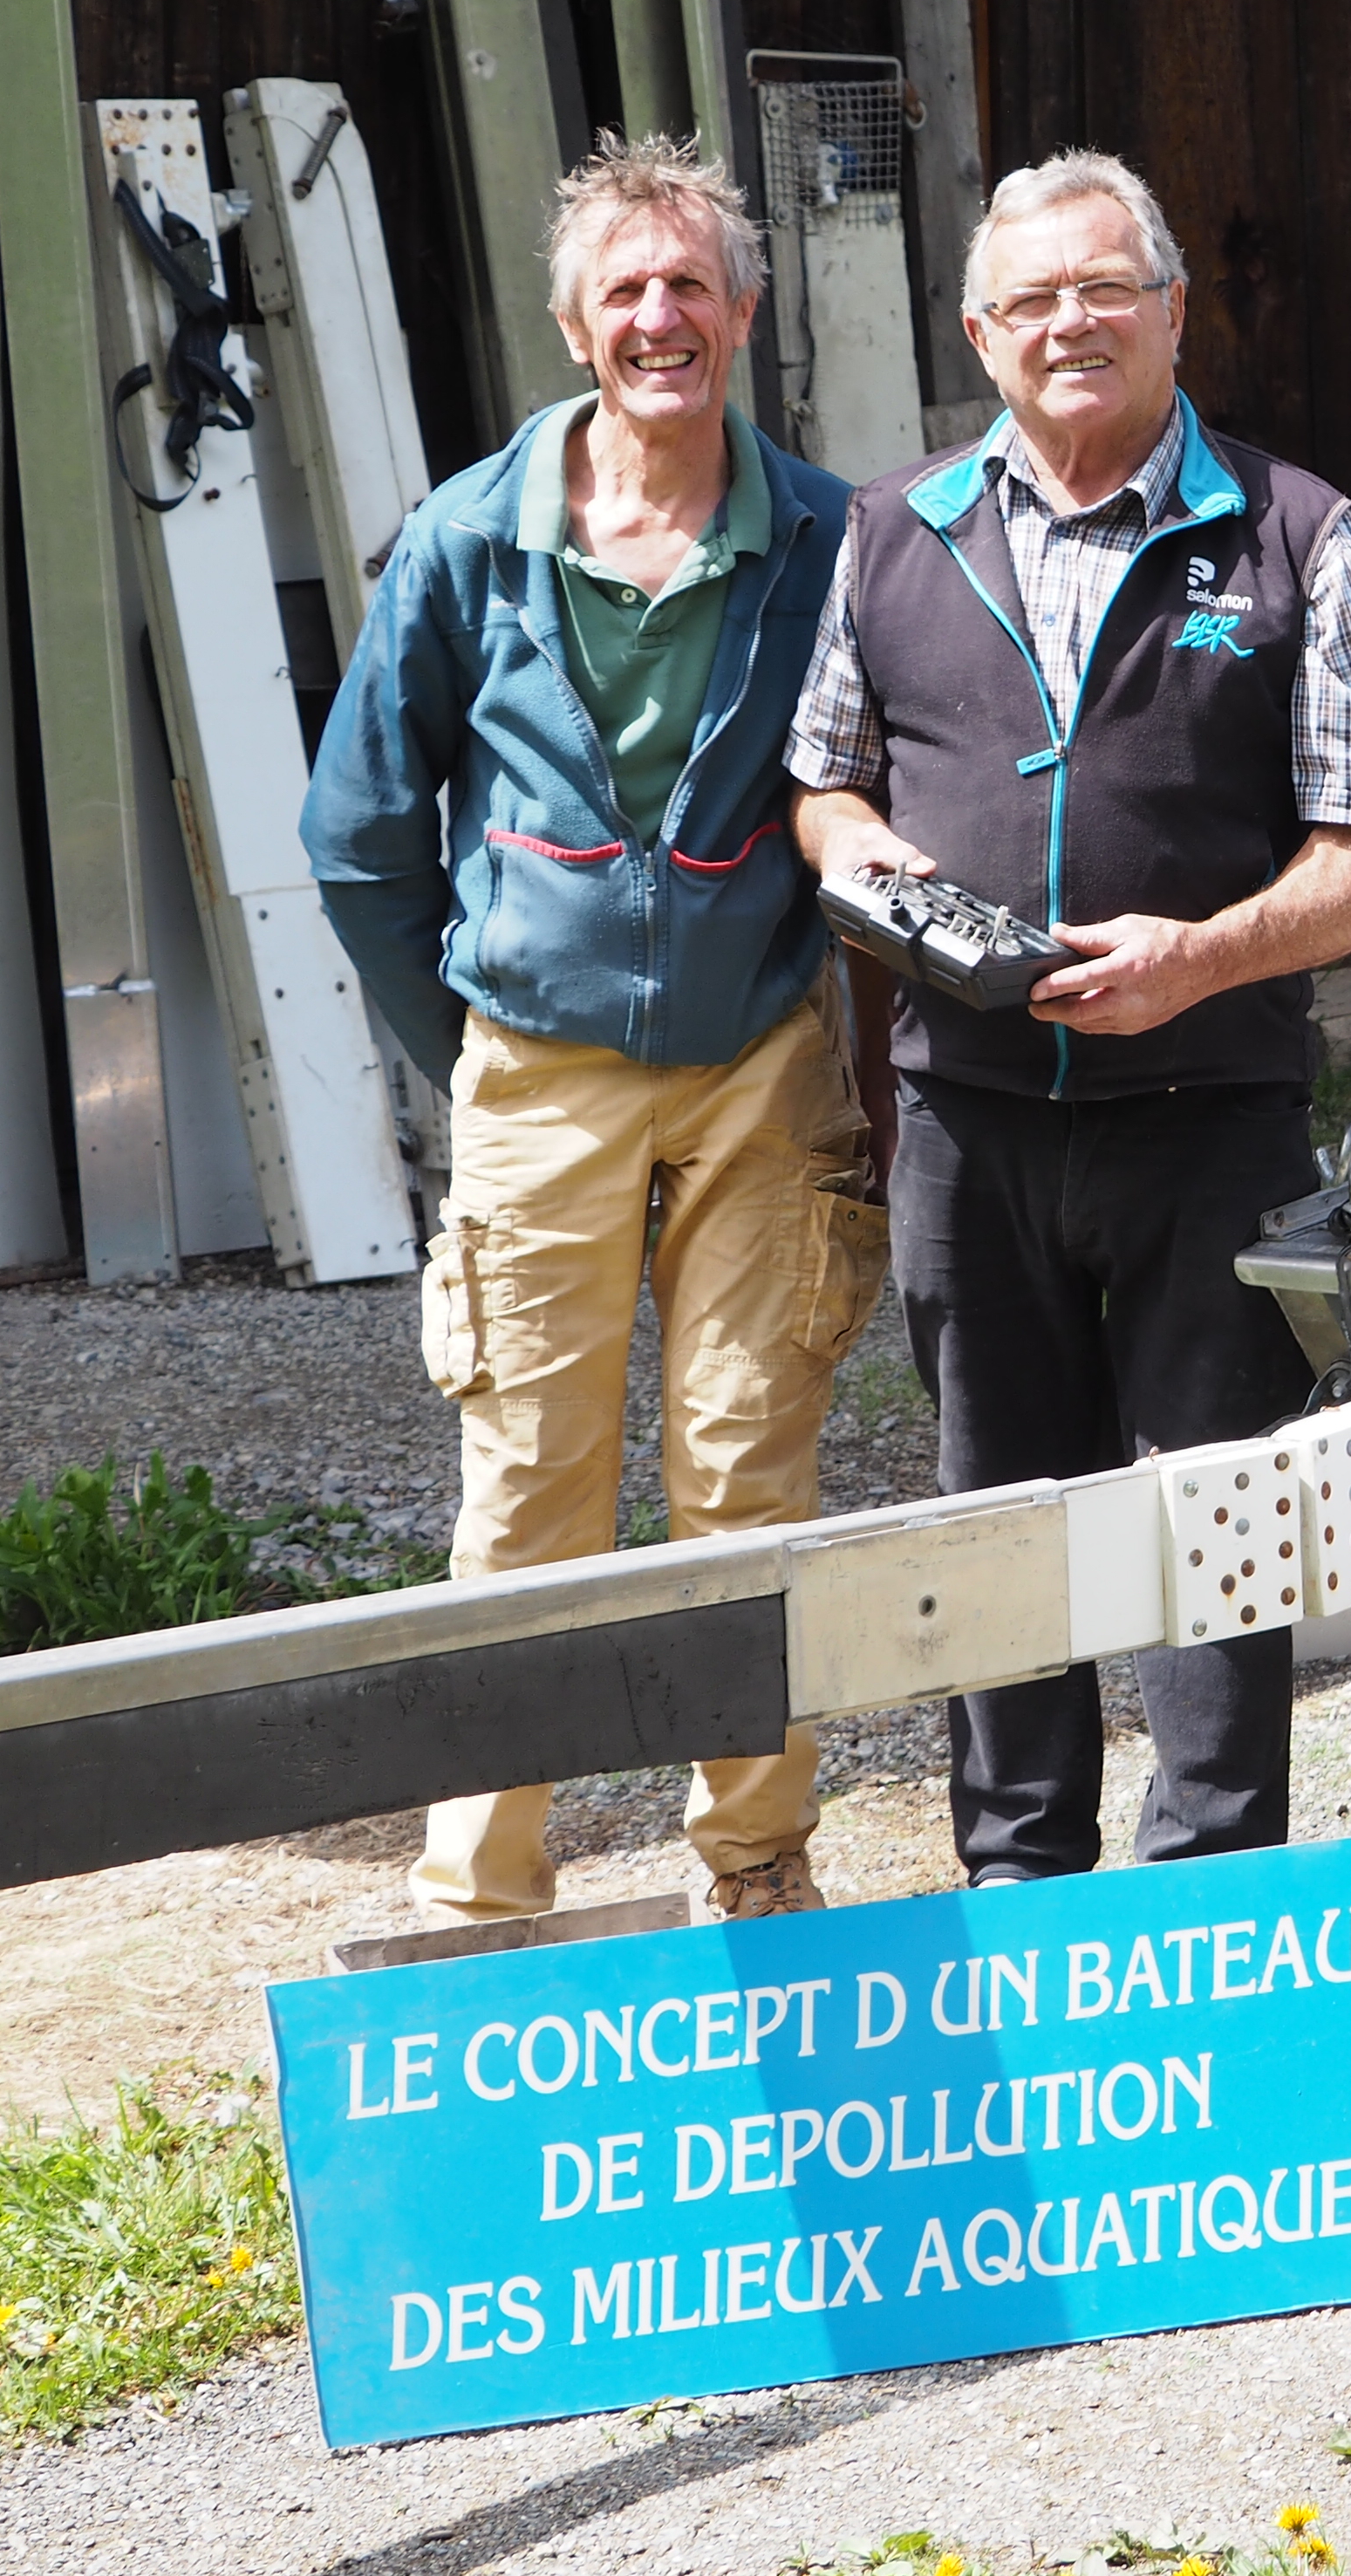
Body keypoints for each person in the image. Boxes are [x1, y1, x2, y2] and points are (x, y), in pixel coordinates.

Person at [787, 148, 1351, 1882]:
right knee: (995, 1522)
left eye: (1104, 288)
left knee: (1212, 1521)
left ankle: (1206, 1896)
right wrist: (893, 896)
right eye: (1031, 300)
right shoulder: (891, 532)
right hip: (970, 1116)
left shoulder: (1303, 534)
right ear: (978, 332)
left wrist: (1205, 956)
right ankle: (1017, 1879)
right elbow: (822, 790)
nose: (1068, 324)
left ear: (1173, 308)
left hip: (1207, 1114)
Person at [305, 136, 874, 1927]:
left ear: (746, 315)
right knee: (530, 1491)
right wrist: (479, 1043)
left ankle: (759, 1870)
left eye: (691, 285)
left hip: (763, 1072)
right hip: (537, 1077)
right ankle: (482, 1898)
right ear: (573, 325)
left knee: (745, 1479)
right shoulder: (472, 540)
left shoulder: (828, 539)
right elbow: (359, 839)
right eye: (624, 290)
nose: (659, 318)